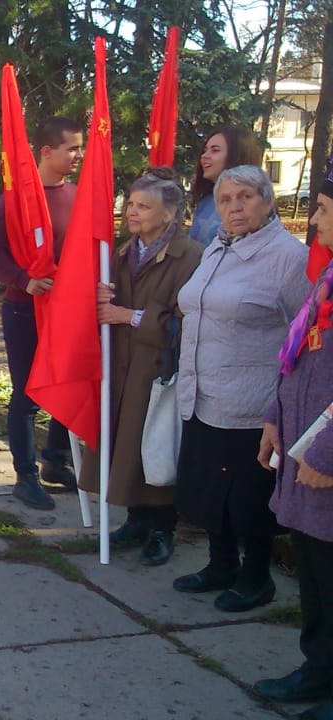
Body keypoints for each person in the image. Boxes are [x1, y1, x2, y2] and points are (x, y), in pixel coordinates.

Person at [174, 164, 311, 612]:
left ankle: (256, 578)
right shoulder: (217, 248)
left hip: (253, 402)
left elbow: (306, 334)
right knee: (212, 488)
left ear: (267, 201)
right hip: (203, 393)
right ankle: (220, 565)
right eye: (226, 199)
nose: (235, 207)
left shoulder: (289, 258)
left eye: (246, 197)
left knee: (250, 495)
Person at [83, 168, 202, 567]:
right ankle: (136, 520)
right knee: (127, 443)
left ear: (169, 213)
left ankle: (163, 529)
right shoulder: (121, 253)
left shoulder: (190, 256)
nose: (132, 212)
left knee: (156, 444)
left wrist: (128, 316)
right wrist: (98, 297)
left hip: (158, 367)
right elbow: (104, 306)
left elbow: (189, 322)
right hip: (122, 364)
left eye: (144, 206)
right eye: (130, 204)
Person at [251, 164, 333, 719]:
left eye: (323, 209)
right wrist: (274, 419)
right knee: (316, 575)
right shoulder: (326, 277)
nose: (315, 220)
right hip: (303, 450)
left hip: (323, 460)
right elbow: (298, 358)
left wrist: (327, 455)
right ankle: (318, 669)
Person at [0, 116, 84, 510]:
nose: (78, 155)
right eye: (72, 148)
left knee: (67, 385)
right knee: (26, 394)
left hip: (67, 311)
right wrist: (23, 280)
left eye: (80, 147)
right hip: (24, 310)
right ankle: (25, 476)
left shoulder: (76, 195)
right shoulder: (18, 198)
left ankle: (56, 460)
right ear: (47, 152)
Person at [188, 126, 263, 247]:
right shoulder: (205, 201)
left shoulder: (253, 203)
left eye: (215, 150)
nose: (204, 156)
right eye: (205, 150)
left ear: (236, 155)